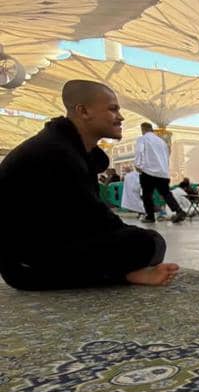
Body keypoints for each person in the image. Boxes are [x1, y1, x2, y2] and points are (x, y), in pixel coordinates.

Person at [0, 81, 178, 289]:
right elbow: (97, 222)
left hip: (39, 253)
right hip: (28, 268)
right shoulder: (57, 154)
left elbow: (83, 223)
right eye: (112, 109)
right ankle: (122, 274)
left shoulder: (67, 148)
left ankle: (124, 274)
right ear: (83, 111)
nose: (120, 117)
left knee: (139, 241)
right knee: (149, 243)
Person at [134, 122, 185, 225]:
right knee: (166, 193)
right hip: (162, 173)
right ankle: (179, 211)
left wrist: (138, 165)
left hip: (148, 171)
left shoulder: (142, 139)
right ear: (151, 129)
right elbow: (167, 155)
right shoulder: (162, 142)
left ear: (143, 129)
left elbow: (139, 152)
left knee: (147, 195)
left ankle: (150, 216)